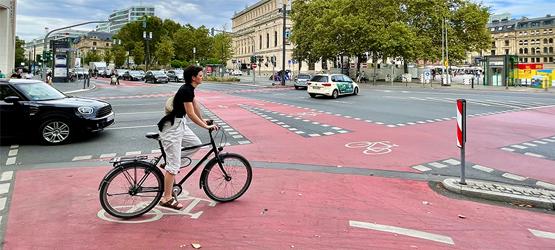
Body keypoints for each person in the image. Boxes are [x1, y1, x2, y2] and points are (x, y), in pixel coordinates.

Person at [156, 65, 218, 210]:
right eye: (201, 75)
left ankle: (169, 162)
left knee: (196, 144)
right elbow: (190, 113)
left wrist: (204, 121)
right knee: (174, 167)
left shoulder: (190, 89)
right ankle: (167, 198)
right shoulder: (186, 90)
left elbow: (195, 107)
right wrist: (206, 127)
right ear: (193, 77)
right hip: (172, 128)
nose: (203, 77)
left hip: (180, 124)